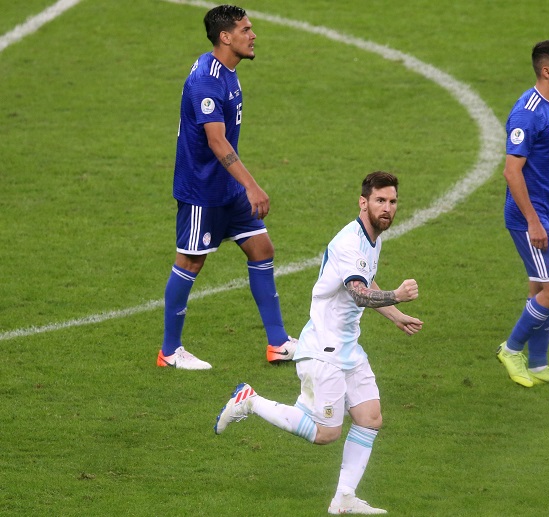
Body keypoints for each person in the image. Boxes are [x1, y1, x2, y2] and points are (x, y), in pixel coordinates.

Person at [214, 171, 423, 514]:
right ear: (363, 202)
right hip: (324, 351)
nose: (387, 208)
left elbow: (365, 280)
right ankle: (249, 401)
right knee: (326, 434)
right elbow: (359, 293)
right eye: (380, 201)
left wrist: (395, 315)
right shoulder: (349, 242)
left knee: (370, 418)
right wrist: (396, 295)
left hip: (348, 348)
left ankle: (344, 499)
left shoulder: (372, 238)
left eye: (392, 201)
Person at [157, 5, 296, 370]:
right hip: (202, 191)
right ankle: (169, 352)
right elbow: (217, 142)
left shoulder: (225, 70)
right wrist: (253, 186)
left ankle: (278, 344)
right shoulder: (207, 80)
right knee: (190, 261)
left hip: (227, 187)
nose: (253, 35)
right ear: (225, 37)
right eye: (245, 30)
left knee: (262, 249)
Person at [496, 40, 549, 388]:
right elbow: (511, 172)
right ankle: (511, 349)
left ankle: (540, 365)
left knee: (541, 287)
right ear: (547, 71)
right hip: (531, 219)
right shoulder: (527, 113)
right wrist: (533, 221)